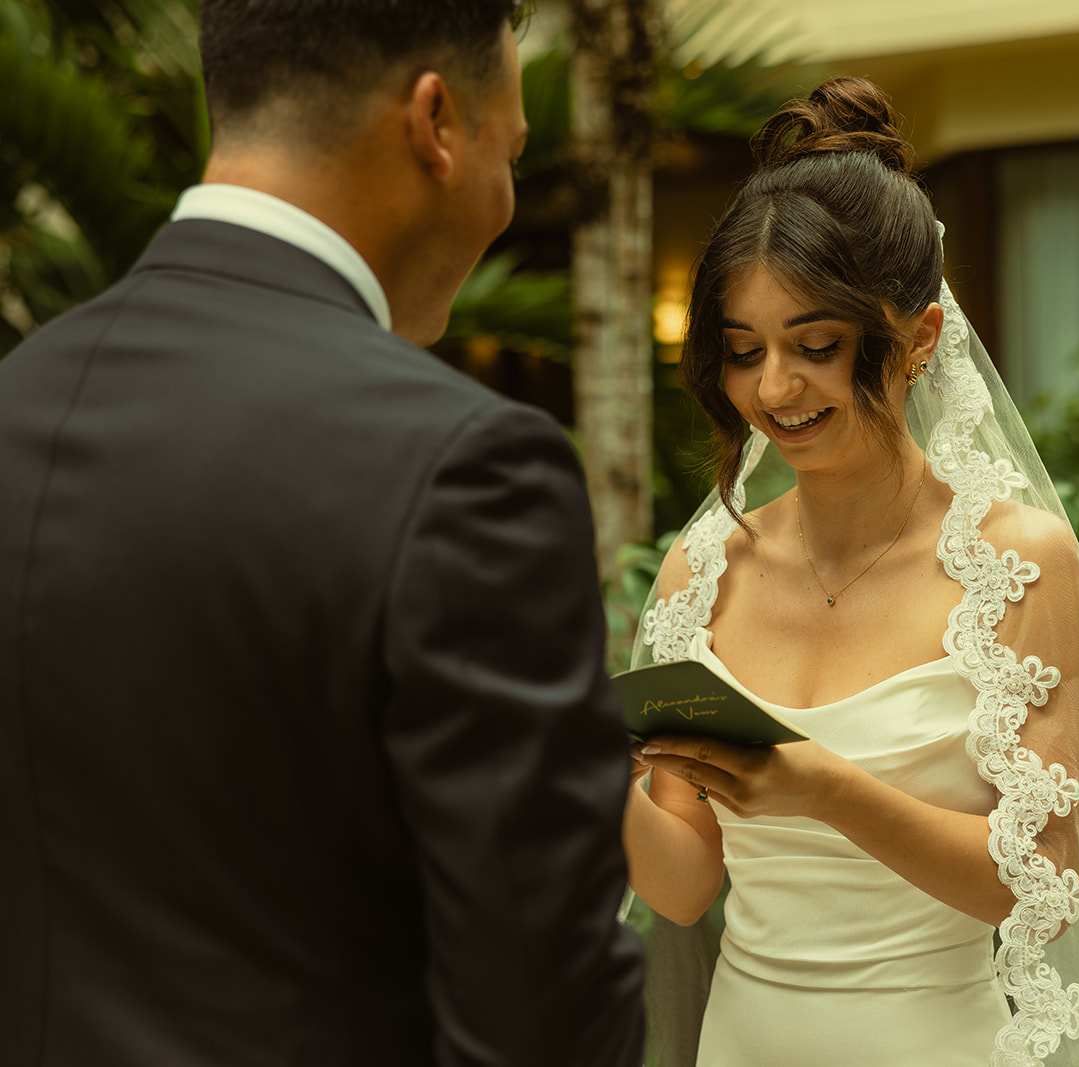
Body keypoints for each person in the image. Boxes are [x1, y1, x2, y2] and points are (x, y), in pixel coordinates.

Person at [0, 2, 644, 1064]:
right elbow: (541, 1018)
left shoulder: (16, 400)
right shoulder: (462, 466)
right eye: (514, 151)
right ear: (437, 123)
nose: (506, 195)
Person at [623, 77, 1079, 1066]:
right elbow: (680, 888)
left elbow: (1042, 885)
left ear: (919, 339)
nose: (773, 388)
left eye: (815, 346)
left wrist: (826, 789)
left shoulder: (1018, 561)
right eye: (742, 351)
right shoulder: (699, 570)